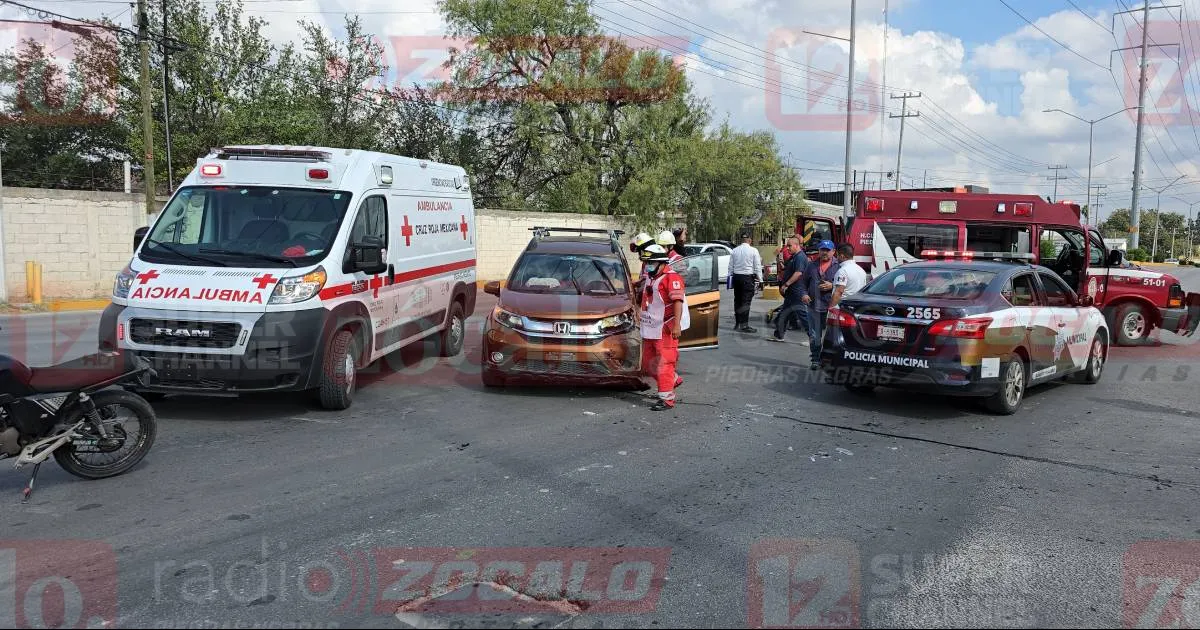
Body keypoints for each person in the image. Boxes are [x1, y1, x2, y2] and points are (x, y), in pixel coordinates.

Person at [639, 244, 686, 411]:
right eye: (646, 263)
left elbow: (677, 302)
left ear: (661, 262)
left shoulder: (671, 278)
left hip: (665, 330)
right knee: (647, 363)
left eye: (650, 263)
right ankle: (672, 380)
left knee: (664, 364)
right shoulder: (651, 277)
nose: (647, 266)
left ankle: (666, 399)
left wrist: (677, 325)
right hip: (650, 329)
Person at [769, 236, 812, 342]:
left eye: (789, 246)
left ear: (797, 245)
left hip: (797, 291)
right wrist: (780, 260)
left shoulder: (800, 257)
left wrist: (786, 284)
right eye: (787, 246)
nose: (787, 248)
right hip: (791, 292)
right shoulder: (794, 257)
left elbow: (798, 273)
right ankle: (779, 335)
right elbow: (786, 267)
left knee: (803, 316)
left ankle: (814, 338)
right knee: (784, 313)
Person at [805, 240, 839, 370]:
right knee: (814, 334)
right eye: (822, 250)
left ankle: (830, 360)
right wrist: (804, 294)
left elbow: (845, 286)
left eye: (827, 250)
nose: (824, 252)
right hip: (814, 305)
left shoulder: (839, 266)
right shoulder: (811, 265)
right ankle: (815, 359)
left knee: (832, 335)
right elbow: (803, 283)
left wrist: (832, 286)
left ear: (833, 251)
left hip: (832, 306)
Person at [729, 232, 762, 333]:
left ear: (741, 240)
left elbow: (730, 267)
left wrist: (730, 280)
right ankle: (744, 325)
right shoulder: (753, 250)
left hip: (736, 277)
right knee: (746, 302)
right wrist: (760, 280)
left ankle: (738, 323)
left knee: (737, 301)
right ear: (750, 240)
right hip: (747, 278)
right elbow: (757, 267)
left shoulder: (734, 250)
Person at [828, 243, 868, 309]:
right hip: (856, 307)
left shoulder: (842, 271)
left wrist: (831, 308)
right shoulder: (861, 270)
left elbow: (839, 292)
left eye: (837, 255)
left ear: (842, 256)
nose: (836, 258)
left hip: (843, 308)